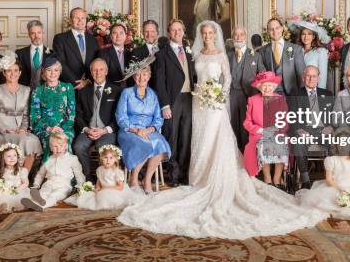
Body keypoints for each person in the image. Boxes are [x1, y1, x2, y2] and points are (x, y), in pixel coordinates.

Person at [117, 20, 328, 240]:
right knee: (198, 139)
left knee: (217, 138)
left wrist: (218, 95)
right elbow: (193, 79)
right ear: (200, 35)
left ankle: (221, 175)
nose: (207, 35)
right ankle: (199, 176)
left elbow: (226, 79)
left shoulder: (221, 55)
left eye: (210, 32)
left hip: (215, 104)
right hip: (198, 104)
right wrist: (203, 95)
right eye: (204, 33)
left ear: (215, 34)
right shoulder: (195, 55)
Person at [115, 57, 171, 192]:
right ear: (134, 77)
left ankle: (147, 180)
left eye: (144, 74)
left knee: (160, 144)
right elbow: (121, 117)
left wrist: (148, 130)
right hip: (129, 131)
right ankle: (133, 178)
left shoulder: (154, 95)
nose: (141, 77)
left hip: (148, 130)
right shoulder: (126, 93)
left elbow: (158, 119)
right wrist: (136, 130)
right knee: (143, 143)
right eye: (138, 74)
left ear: (149, 76)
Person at [153, 19, 195, 186]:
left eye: (180, 30)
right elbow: (160, 82)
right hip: (172, 100)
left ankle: (184, 175)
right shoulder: (162, 55)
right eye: (173, 30)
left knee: (186, 137)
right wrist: (165, 105)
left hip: (189, 99)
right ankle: (173, 175)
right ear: (169, 33)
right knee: (172, 136)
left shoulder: (189, 52)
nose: (177, 33)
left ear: (183, 32)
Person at [0, 55, 43, 173]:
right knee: (26, 141)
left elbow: (26, 114)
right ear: (4, 73)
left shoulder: (26, 90)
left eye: (16, 70)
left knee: (33, 140)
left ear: (20, 72)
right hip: (2, 132)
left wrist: (23, 128)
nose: (13, 74)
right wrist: (6, 129)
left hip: (20, 131)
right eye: (9, 71)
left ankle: (24, 176)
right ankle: (16, 175)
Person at [287, 65, 334, 189]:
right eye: (308, 76)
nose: (311, 78)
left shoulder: (327, 93)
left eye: (314, 76)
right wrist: (299, 129)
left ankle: (331, 177)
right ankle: (305, 180)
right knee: (298, 142)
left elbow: (335, 116)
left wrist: (330, 127)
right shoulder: (295, 94)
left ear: (318, 78)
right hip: (305, 130)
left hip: (323, 131)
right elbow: (291, 115)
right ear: (303, 78)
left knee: (336, 142)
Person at [295, 129, 350, 215]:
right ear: (336, 145)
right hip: (334, 187)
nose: (343, 145)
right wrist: (340, 190)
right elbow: (329, 180)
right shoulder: (331, 160)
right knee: (327, 204)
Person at [73, 58, 121, 179]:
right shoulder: (83, 91)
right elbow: (78, 114)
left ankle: (104, 178)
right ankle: (88, 176)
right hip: (89, 130)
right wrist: (86, 129)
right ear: (91, 72)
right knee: (78, 147)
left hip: (106, 130)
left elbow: (119, 115)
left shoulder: (116, 90)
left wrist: (105, 130)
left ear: (106, 71)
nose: (98, 73)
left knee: (103, 148)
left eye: (101, 69)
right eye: (94, 70)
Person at [243, 71, 290, 189]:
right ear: (260, 87)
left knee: (280, 143)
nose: (267, 88)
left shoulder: (281, 99)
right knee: (263, 145)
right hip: (259, 134)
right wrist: (260, 131)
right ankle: (267, 179)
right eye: (264, 85)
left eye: (270, 85)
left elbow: (285, 121)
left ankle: (277, 179)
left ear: (274, 86)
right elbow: (247, 123)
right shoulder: (252, 100)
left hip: (277, 133)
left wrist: (276, 130)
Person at [21, 133, 85, 212]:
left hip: (63, 186)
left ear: (66, 146)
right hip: (49, 183)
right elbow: (40, 174)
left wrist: (81, 187)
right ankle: (34, 202)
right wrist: (36, 185)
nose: (58, 149)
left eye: (61, 145)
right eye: (55, 146)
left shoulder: (72, 159)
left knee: (54, 196)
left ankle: (41, 206)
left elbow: (79, 174)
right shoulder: (49, 160)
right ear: (51, 148)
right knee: (43, 193)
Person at [30, 57, 76, 162]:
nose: (52, 73)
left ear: (60, 72)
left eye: (56, 70)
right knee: (51, 141)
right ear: (44, 72)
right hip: (45, 129)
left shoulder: (68, 88)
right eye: (49, 70)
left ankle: (67, 176)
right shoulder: (38, 91)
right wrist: (49, 128)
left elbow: (71, 113)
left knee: (63, 141)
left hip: (65, 128)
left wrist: (62, 129)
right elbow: (34, 116)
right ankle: (49, 174)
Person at [227, 25, 265, 151]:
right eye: (236, 35)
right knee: (232, 125)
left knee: (246, 126)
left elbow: (262, 76)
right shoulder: (228, 55)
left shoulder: (256, 55)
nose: (238, 37)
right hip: (231, 94)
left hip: (249, 95)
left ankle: (247, 156)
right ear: (232, 37)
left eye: (241, 34)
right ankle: (235, 155)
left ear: (246, 36)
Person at [71, 145, 144, 210]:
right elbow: (99, 181)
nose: (108, 160)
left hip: (114, 190)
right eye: (105, 158)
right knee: (88, 197)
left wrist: (105, 189)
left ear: (115, 159)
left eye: (111, 158)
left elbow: (120, 187)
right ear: (101, 158)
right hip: (103, 189)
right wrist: (97, 188)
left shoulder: (117, 172)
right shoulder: (99, 169)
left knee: (104, 198)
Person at [52, 8, 99, 90]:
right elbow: (60, 63)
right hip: (69, 87)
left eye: (83, 18)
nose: (80, 21)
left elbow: (97, 61)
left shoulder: (93, 40)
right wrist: (76, 82)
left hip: (89, 86)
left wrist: (88, 81)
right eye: (77, 18)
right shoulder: (60, 38)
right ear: (70, 20)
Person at [257, 17, 305, 96]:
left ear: (282, 29)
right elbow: (262, 75)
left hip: (292, 93)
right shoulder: (262, 51)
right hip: (271, 94)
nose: (274, 31)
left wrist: (302, 96)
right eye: (271, 29)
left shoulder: (296, 49)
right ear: (268, 31)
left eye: (277, 28)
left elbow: (301, 75)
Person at [16, 20, 52, 89]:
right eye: (33, 33)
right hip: (24, 90)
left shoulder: (52, 54)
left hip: (46, 91)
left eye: (39, 32)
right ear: (29, 35)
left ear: (43, 34)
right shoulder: (20, 53)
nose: (36, 36)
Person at [294, 21, 331, 89]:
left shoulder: (321, 52)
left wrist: (320, 93)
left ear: (313, 36)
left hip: (314, 90)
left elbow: (322, 76)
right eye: (303, 34)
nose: (306, 37)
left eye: (309, 34)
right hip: (299, 90)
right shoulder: (297, 51)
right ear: (300, 36)